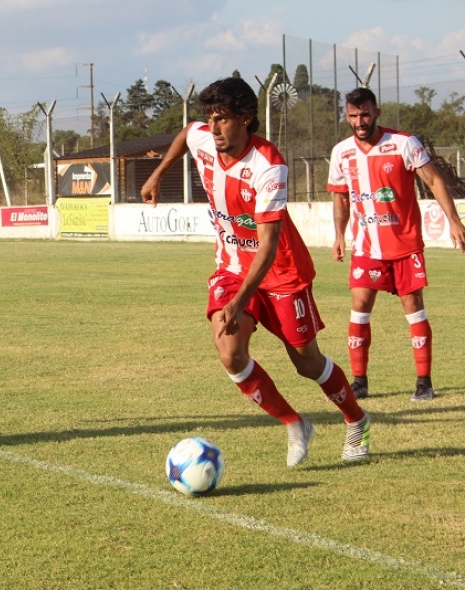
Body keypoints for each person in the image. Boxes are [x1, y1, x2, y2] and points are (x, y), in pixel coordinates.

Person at [141, 77, 370, 464]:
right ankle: (294, 423)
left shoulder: (269, 166)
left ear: (246, 119)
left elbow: (267, 245)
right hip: (231, 266)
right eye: (210, 118)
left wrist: (241, 302)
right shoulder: (205, 139)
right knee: (230, 352)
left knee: (306, 362)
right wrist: (159, 172)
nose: (212, 128)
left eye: (223, 119)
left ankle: (356, 419)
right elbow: (186, 133)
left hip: (280, 271)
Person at [328, 87, 465, 402]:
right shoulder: (341, 152)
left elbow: (434, 181)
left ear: (376, 113)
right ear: (347, 116)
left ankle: (424, 382)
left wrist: (454, 220)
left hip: (404, 245)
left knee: (413, 309)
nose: (359, 121)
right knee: (360, 307)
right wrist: (339, 235)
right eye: (353, 115)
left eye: (365, 114)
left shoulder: (403, 143)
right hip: (366, 248)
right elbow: (340, 197)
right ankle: (359, 381)